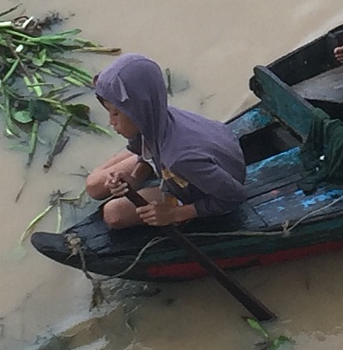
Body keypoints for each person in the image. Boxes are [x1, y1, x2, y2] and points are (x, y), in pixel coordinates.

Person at [85, 53, 247, 229]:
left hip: (198, 186)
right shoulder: (152, 114)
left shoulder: (180, 159)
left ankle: (172, 192)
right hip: (176, 158)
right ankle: (154, 174)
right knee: (95, 185)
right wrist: (132, 179)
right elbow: (145, 152)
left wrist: (174, 214)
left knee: (113, 214)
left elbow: (235, 195)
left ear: (136, 111)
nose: (111, 122)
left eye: (116, 113)